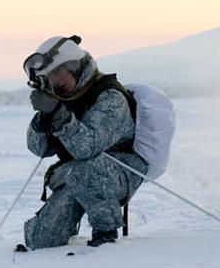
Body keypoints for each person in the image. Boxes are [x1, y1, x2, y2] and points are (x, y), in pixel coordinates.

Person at [20, 35, 147, 250]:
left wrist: (59, 116)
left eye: (58, 72)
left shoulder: (110, 97)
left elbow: (86, 148)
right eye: (48, 77)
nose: (55, 81)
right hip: (77, 174)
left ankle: (106, 235)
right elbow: (39, 149)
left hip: (119, 172)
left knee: (86, 169)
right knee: (41, 240)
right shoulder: (61, 99)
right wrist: (43, 119)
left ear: (74, 67)